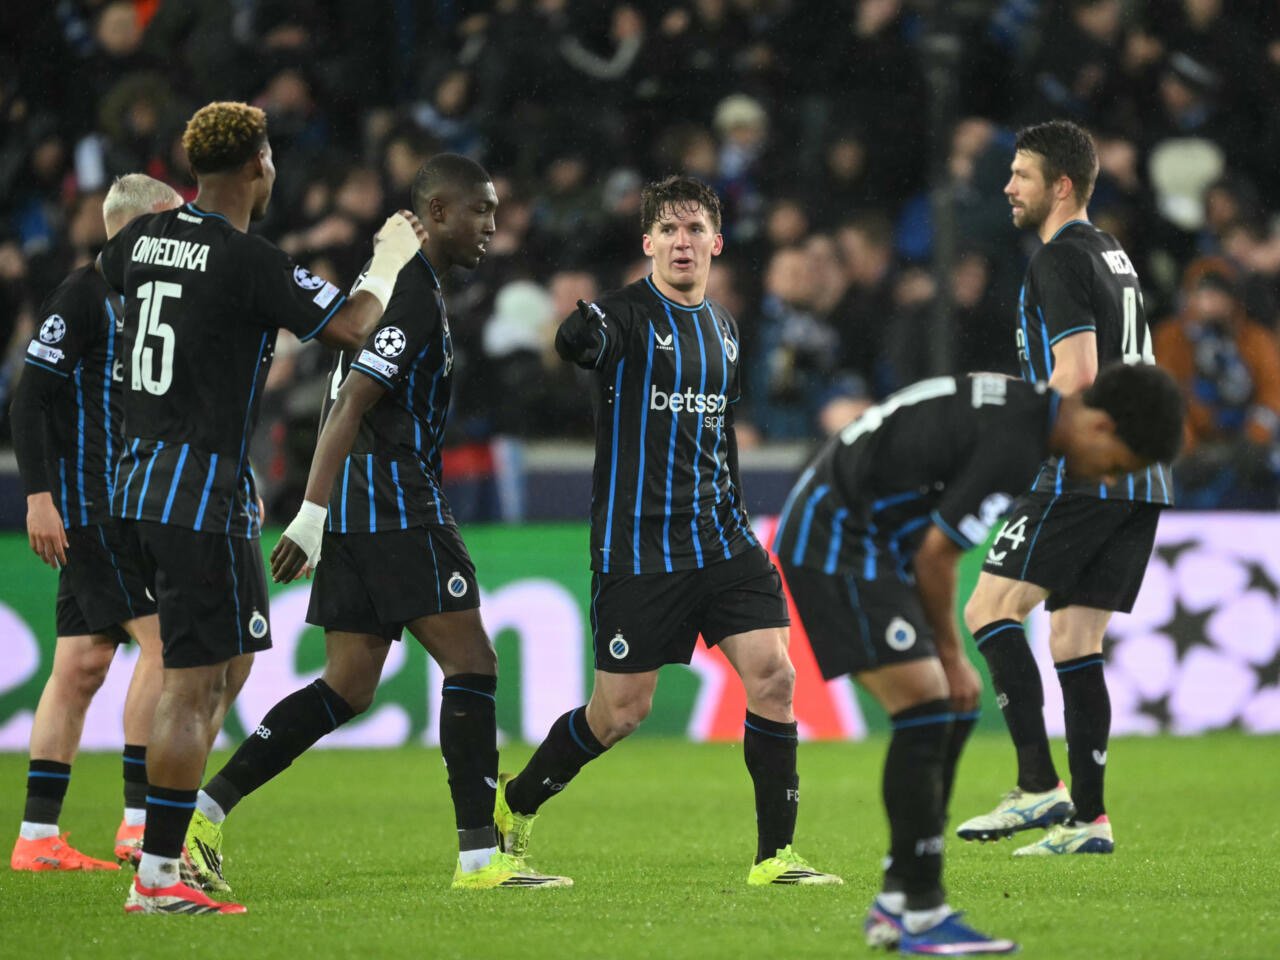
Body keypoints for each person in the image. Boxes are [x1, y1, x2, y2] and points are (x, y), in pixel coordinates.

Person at [179, 154, 568, 893]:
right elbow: (351, 401)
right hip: (391, 501)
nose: (493, 224)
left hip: (362, 507)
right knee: (474, 664)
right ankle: (482, 858)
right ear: (440, 214)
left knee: (348, 686)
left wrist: (328, 515)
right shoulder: (413, 296)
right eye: (481, 210)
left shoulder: (399, 287)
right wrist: (311, 514)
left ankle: (200, 814)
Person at [96, 101, 427, 915]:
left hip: (141, 481)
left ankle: (166, 846)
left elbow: (125, 287)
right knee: (195, 686)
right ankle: (160, 875)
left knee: (229, 665)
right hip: (193, 490)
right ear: (260, 166)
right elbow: (356, 325)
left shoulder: (133, 243)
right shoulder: (246, 260)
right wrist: (387, 259)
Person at [492, 175, 840, 887]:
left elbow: (720, 432)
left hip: (722, 540)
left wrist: (736, 512)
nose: (684, 242)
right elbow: (578, 343)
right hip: (640, 549)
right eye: (670, 231)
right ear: (648, 242)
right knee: (621, 711)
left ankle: (776, 857)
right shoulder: (621, 317)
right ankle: (517, 802)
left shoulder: (726, 329)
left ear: (717, 242)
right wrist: (574, 334)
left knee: (774, 677)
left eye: (696, 230)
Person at [774, 364, 1183, 955]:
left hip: (861, 534)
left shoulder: (1021, 409)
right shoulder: (1017, 446)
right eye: (1116, 464)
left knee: (944, 711)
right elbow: (937, 559)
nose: (1106, 477)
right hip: (837, 537)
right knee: (931, 705)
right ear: (1099, 424)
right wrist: (952, 653)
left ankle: (902, 901)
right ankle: (917, 911)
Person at [958, 120, 1174, 855]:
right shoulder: (1111, 253)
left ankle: (1036, 786)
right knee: (1074, 636)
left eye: (1020, 174)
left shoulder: (1056, 260)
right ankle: (1089, 819)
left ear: (1060, 185)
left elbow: (1076, 378)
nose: (1007, 186)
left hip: (1084, 467)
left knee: (988, 608)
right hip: (1141, 475)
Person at [9, 175, 178, 873]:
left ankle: (37, 837)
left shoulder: (152, 304)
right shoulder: (84, 296)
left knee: (78, 667)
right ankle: (138, 825)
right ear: (139, 227)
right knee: (167, 649)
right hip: (93, 511)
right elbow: (29, 398)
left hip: (129, 506)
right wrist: (39, 498)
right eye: (174, 223)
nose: (186, 236)